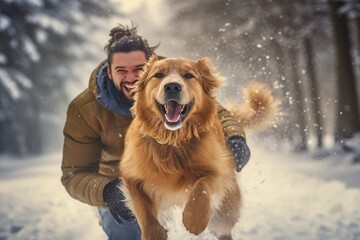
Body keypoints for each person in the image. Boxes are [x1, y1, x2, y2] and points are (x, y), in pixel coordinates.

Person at [61, 23, 250, 240]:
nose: (132, 78)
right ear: (109, 71)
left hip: (192, 169)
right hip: (121, 185)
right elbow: (73, 174)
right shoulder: (84, 110)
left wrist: (235, 137)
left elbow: (217, 111)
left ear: (149, 65)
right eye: (121, 71)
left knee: (224, 222)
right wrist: (104, 191)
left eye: (139, 70)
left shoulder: (173, 73)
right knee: (127, 230)